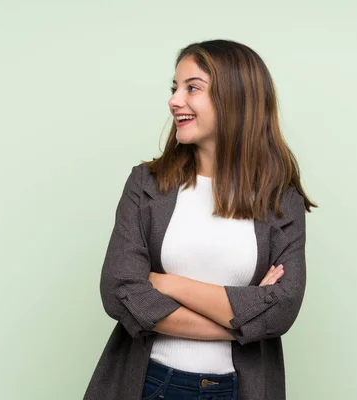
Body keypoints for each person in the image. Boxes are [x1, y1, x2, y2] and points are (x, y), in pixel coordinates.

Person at [83, 39, 317, 400]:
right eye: (175, 88)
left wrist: (165, 283)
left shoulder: (281, 201)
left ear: (236, 99)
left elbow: (281, 312)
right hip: (150, 384)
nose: (174, 100)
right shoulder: (146, 185)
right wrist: (245, 317)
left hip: (237, 390)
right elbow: (119, 293)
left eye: (192, 88)